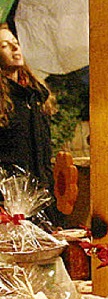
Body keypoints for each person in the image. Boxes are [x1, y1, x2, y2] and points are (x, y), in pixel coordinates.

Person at [0, 23, 56, 197]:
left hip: (42, 195)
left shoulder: (36, 96)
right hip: (9, 199)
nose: (15, 48)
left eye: (15, 42)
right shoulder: (5, 101)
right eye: (4, 46)